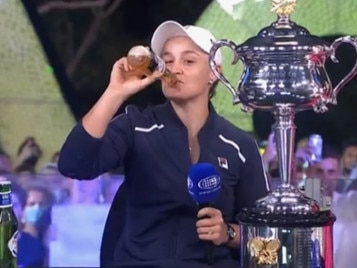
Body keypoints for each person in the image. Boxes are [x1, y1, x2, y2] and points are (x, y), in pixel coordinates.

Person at [58, 20, 270, 268]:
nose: (175, 69)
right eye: (168, 61)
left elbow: (263, 236)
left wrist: (228, 233)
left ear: (214, 72)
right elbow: (74, 164)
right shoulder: (137, 125)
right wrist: (115, 92)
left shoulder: (239, 145)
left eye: (188, 61)